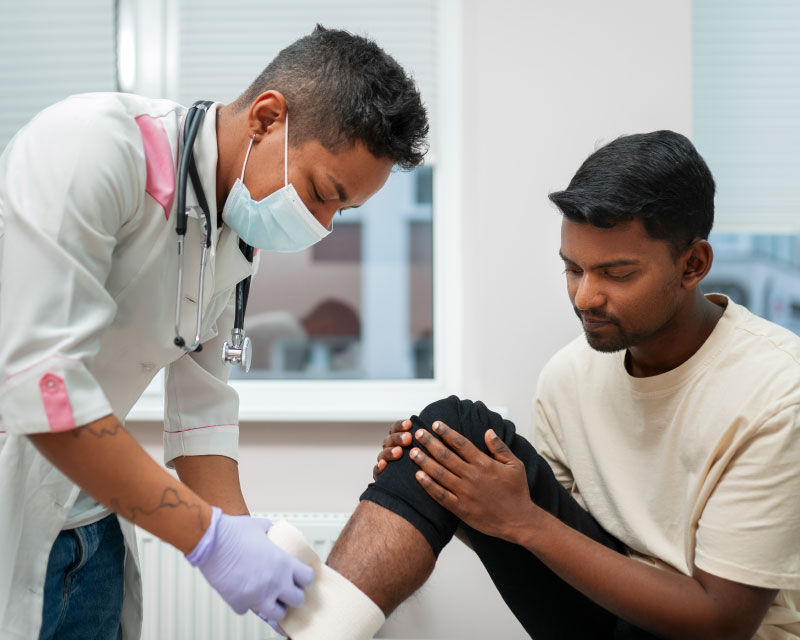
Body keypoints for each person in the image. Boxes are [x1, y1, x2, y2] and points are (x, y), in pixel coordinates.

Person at [0, 25, 428, 640]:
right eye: (321, 193)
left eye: (342, 211)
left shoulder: (233, 233)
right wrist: (210, 539)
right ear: (266, 118)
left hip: (92, 523)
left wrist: (245, 536)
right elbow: (46, 389)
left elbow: (202, 410)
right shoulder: (92, 147)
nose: (322, 225)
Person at [323, 131, 800, 639]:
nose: (585, 297)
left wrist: (522, 520)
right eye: (573, 269)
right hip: (610, 616)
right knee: (450, 432)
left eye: (617, 273)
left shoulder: (777, 393)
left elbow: (721, 621)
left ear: (693, 265)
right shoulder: (569, 376)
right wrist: (453, 488)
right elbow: (552, 551)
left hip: (707, 629)